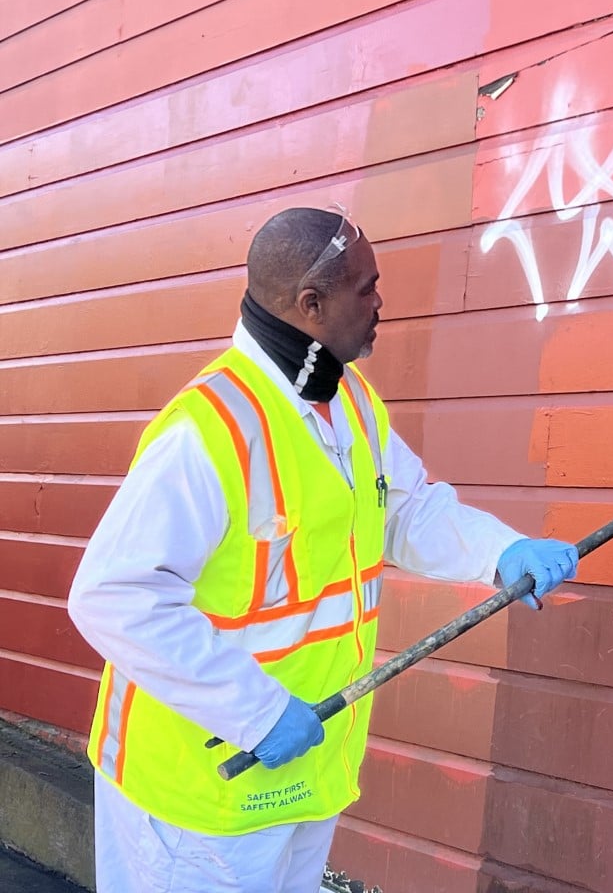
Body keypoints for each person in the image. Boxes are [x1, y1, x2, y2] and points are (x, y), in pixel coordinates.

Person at [67, 206, 578, 893]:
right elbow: (113, 596)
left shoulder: (348, 400)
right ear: (311, 304)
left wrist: (502, 550)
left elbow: (405, 507)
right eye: (365, 288)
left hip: (303, 773)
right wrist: (254, 711)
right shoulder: (210, 430)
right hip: (199, 799)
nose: (380, 303)